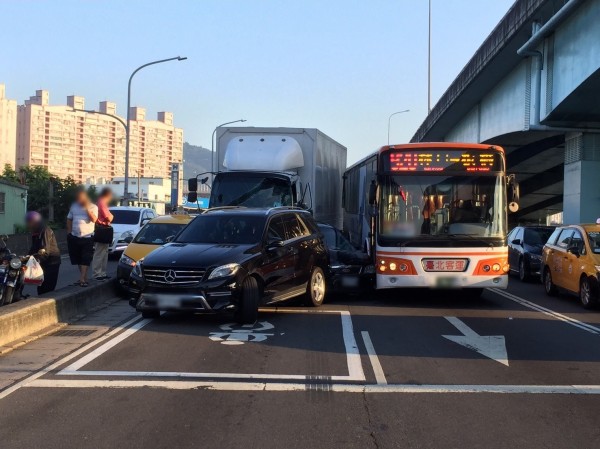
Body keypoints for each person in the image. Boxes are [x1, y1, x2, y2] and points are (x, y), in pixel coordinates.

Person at [66, 188, 98, 287]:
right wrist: (69, 232)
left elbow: (94, 219)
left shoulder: (93, 207)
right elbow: (69, 219)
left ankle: (82, 278)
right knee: (78, 258)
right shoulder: (74, 206)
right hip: (75, 236)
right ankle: (83, 277)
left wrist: (87, 208)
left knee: (86, 258)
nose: (79, 200)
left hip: (87, 236)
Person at [26, 211, 61, 295]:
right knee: (40, 286)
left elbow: (45, 250)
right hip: (43, 262)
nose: (28, 224)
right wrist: (26, 257)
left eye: (29, 222)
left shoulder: (45, 230)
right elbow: (34, 247)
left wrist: (36, 261)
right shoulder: (36, 232)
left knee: (48, 288)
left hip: (51, 262)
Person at [91, 187, 114, 281]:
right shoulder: (102, 203)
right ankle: (97, 273)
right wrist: (111, 216)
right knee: (100, 252)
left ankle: (102, 273)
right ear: (107, 195)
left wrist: (111, 216)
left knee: (104, 252)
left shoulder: (101, 202)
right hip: (102, 228)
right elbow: (109, 218)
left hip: (104, 228)